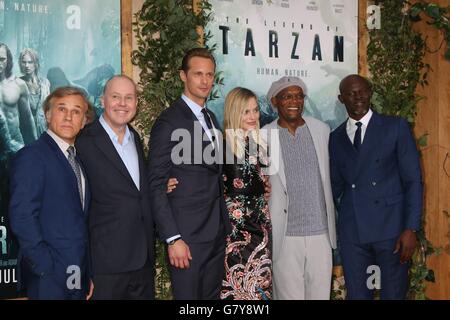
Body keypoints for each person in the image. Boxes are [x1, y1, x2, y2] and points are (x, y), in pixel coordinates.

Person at [329, 74, 423, 300]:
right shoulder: (336, 137)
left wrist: (411, 228)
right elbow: (334, 186)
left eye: (362, 91)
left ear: (370, 92)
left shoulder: (395, 127)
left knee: (394, 294)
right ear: (342, 99)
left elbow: (413, 180)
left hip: (392, 230)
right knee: (357, 295)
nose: (358, 97)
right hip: (353, 231)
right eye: (351, 93)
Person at [148, 48, 231, 300]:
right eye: (198, 74)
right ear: (183, 76)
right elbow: (156, 184)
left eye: (209, 75)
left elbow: (218, 170)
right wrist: (173, 238)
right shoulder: (169, 121)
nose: (205, 81)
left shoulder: (211, 118)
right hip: (187, 236)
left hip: (215, 231)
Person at [9, 86, 94, 299]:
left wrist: (85, 274)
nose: (68, 117)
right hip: (49, 277)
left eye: (76, 111)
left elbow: (78, 221)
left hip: (76, 273)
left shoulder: (78, 159)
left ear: (84, 121)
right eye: (61, 109)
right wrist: (45, 268)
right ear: (47, 114)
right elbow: (22, 216)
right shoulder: (32, 156)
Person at [76, 75, 154, 300]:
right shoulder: (84, 142)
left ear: (136, 104)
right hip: (106, 265)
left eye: (129, 98)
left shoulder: (135, 139)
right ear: (103, 100)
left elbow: (135, 191)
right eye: (116, 97)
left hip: (142, 261)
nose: (122, 103)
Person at [263, 76, 337, 300]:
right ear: (275, 101)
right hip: (284, 235)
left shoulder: (322, 130)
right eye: (287, 96)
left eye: (298, 96)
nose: (294, 101)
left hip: (320, 234)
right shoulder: (264, 135)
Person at [220, 87, 272, 300]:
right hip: (235, 235)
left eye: (255, 110)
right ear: (234, 112)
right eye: (246, 111)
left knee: (260, 290)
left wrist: (264, 189)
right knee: (237, 293)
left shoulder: (258, 145)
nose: (253, 116)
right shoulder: (221, 147)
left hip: (261, 230)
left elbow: (259, 184)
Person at [0, 42, 37, 150]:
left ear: (8, 60)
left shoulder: (18, 85)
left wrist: (35, 148)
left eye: (2, 59)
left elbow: (27, 120)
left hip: (16, 146)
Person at [19, 48, 50, 137]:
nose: (26, 65)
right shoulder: (18, 83)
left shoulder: (45, 83)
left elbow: (49, 109)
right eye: (24, 62)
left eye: (30, 62)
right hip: (25, 133)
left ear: (36, 63)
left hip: (44, 131)